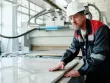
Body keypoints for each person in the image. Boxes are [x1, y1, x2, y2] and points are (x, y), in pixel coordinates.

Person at [49, 1, 110, 83]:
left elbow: (99, 55)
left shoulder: (99, 28)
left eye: (76, 17)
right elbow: (72, 49)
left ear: (84, 16)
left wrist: (80, 71)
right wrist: (62, 61)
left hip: (105, 71)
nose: (73, 21)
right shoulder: (78, 32)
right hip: (92, 71)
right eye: (70, 18)